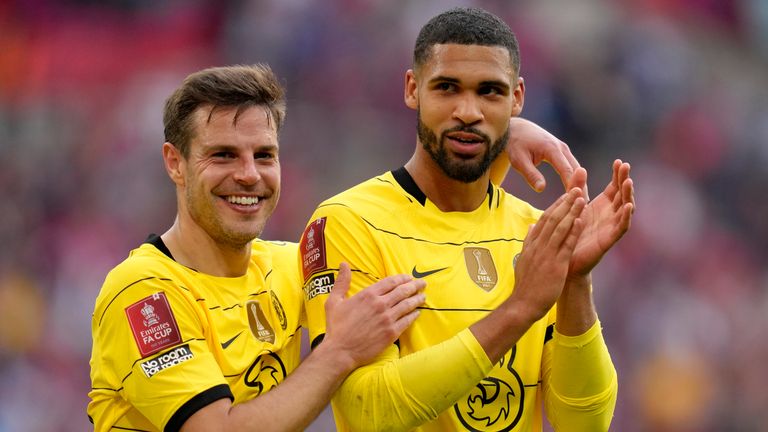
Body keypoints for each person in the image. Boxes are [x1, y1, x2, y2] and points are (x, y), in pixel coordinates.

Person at [87, 64, 584, 431]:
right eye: (222, 155)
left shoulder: (286, 265)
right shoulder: (143, 294)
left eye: (264, 155)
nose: (248, 175)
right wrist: (340, 352)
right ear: (175, 163)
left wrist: (491, 138)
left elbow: (411, 212)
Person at [300, 6, 635, 432]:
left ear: (516, 99)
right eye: (447, 88)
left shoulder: (536, 234)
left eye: (489, 92)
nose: (468, 111)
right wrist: (518, 310)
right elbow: (368, 410)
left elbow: (583, 423)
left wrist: (575, 282)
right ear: (412, 89)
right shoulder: (349, 223)